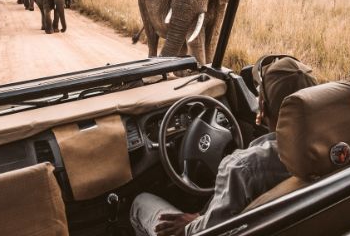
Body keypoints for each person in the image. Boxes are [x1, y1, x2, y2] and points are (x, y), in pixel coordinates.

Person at [130, 57, 317, 236]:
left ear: (262, 108)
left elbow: (208, 232)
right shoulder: (334, 148)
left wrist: (189, 227)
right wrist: (201, 217)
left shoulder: (242, 167)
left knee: (140, 202)